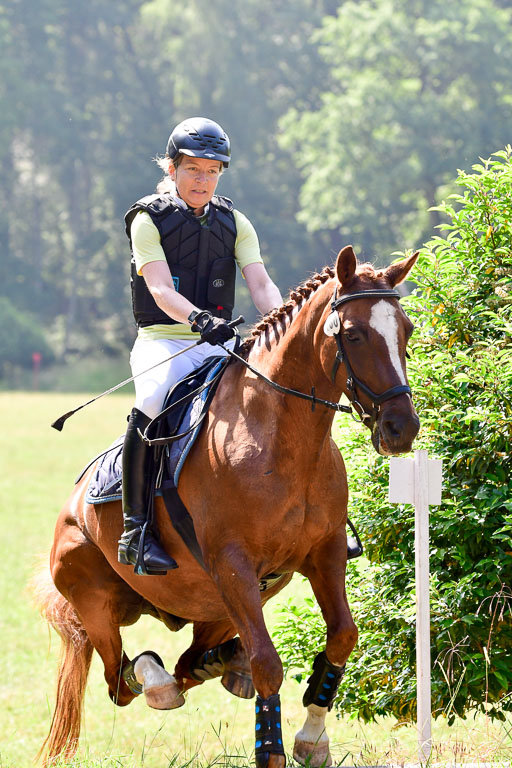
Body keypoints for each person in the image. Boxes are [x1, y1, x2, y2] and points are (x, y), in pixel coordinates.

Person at [118, 117, 283, 575]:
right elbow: (159, 289)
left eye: (212, 171)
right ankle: (135, 531)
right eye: (193, 169)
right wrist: (199, 319)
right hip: (163, 342)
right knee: (152, 401)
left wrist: (282, 320)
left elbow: (261, 284)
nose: (202, 180)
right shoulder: (147, 219)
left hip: (218, 342)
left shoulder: (236, 222)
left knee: (279, 394)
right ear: (172, 169)